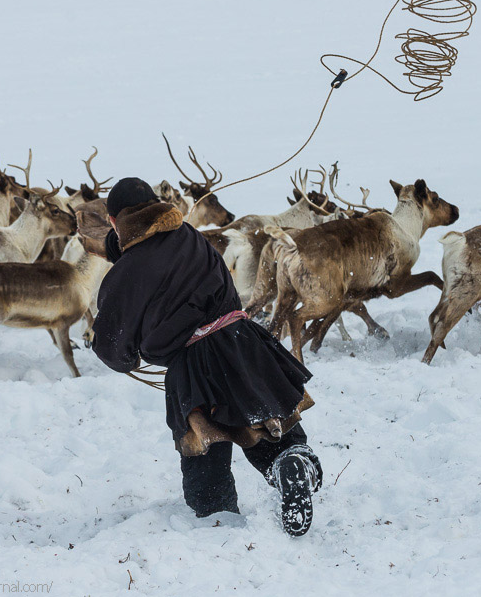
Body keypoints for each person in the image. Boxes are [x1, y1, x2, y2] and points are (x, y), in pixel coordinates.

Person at [88, 177, 323, 536]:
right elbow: (152, 253)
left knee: (206, 457)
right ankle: (292, 463)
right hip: (243, 341)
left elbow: (110, 343)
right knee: (268, 427)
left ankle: (218, 523)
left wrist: (128, 360)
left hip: (193, 364)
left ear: (116, 223)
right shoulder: (191, 237)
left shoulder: (129, 270)